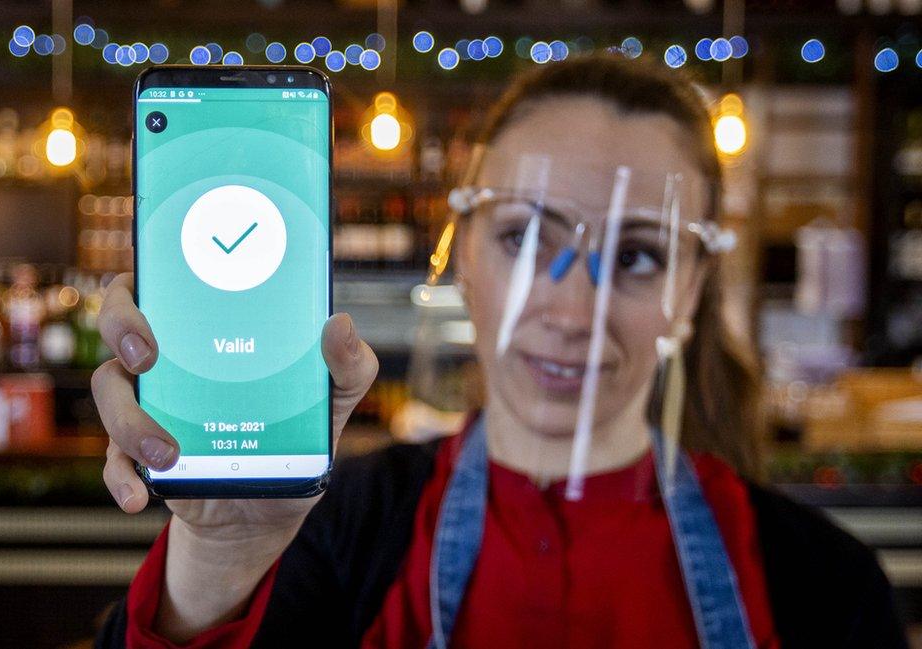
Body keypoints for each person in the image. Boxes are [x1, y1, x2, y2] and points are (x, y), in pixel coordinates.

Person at [92, 53, 907, 648]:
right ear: (467, 259)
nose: (570, 307)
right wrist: (220, 556)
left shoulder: (825, 586)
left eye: (637, 256)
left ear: (691, 289)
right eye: (525, 237)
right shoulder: (330, 533)